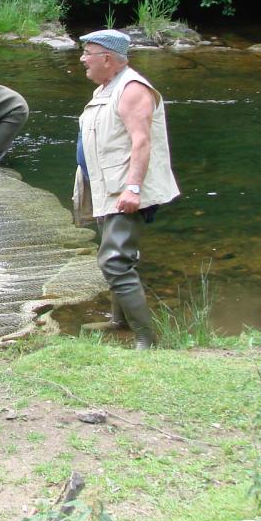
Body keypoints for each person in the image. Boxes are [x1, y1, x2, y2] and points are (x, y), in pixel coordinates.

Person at [73, 29, 180, 350]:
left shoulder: (133, 88)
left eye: (87, 53)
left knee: (115, 261)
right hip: (107, 188)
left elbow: (142, 141)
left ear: (106, 58)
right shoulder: (108, 86)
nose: (82, 59)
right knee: (117, 256)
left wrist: (133, 188)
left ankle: (146, 338)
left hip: (125, 191)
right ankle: (119, 321)